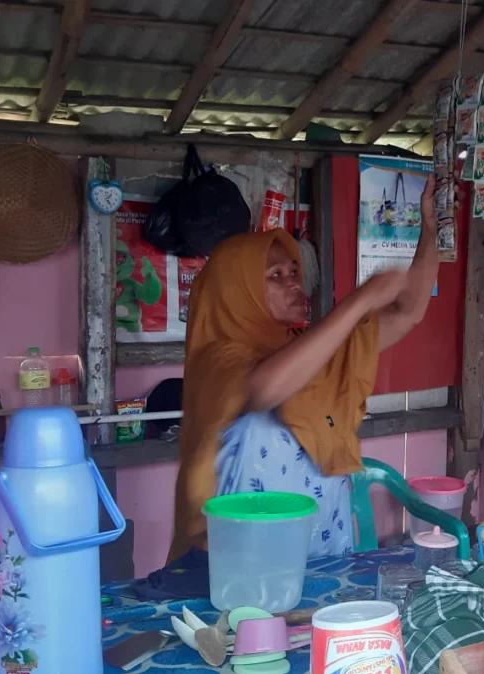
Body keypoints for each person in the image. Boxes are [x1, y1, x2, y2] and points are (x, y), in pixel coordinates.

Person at [168, 174, 440, 561]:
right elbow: (264, 389)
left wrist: (430, 229)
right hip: (239, 574)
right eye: (275, 277)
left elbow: (408, 312)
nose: (294, 283)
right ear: (236, 292)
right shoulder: (218, 359)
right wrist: (358, 302)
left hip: (320, 559)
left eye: (294, 272)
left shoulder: (305, 351)